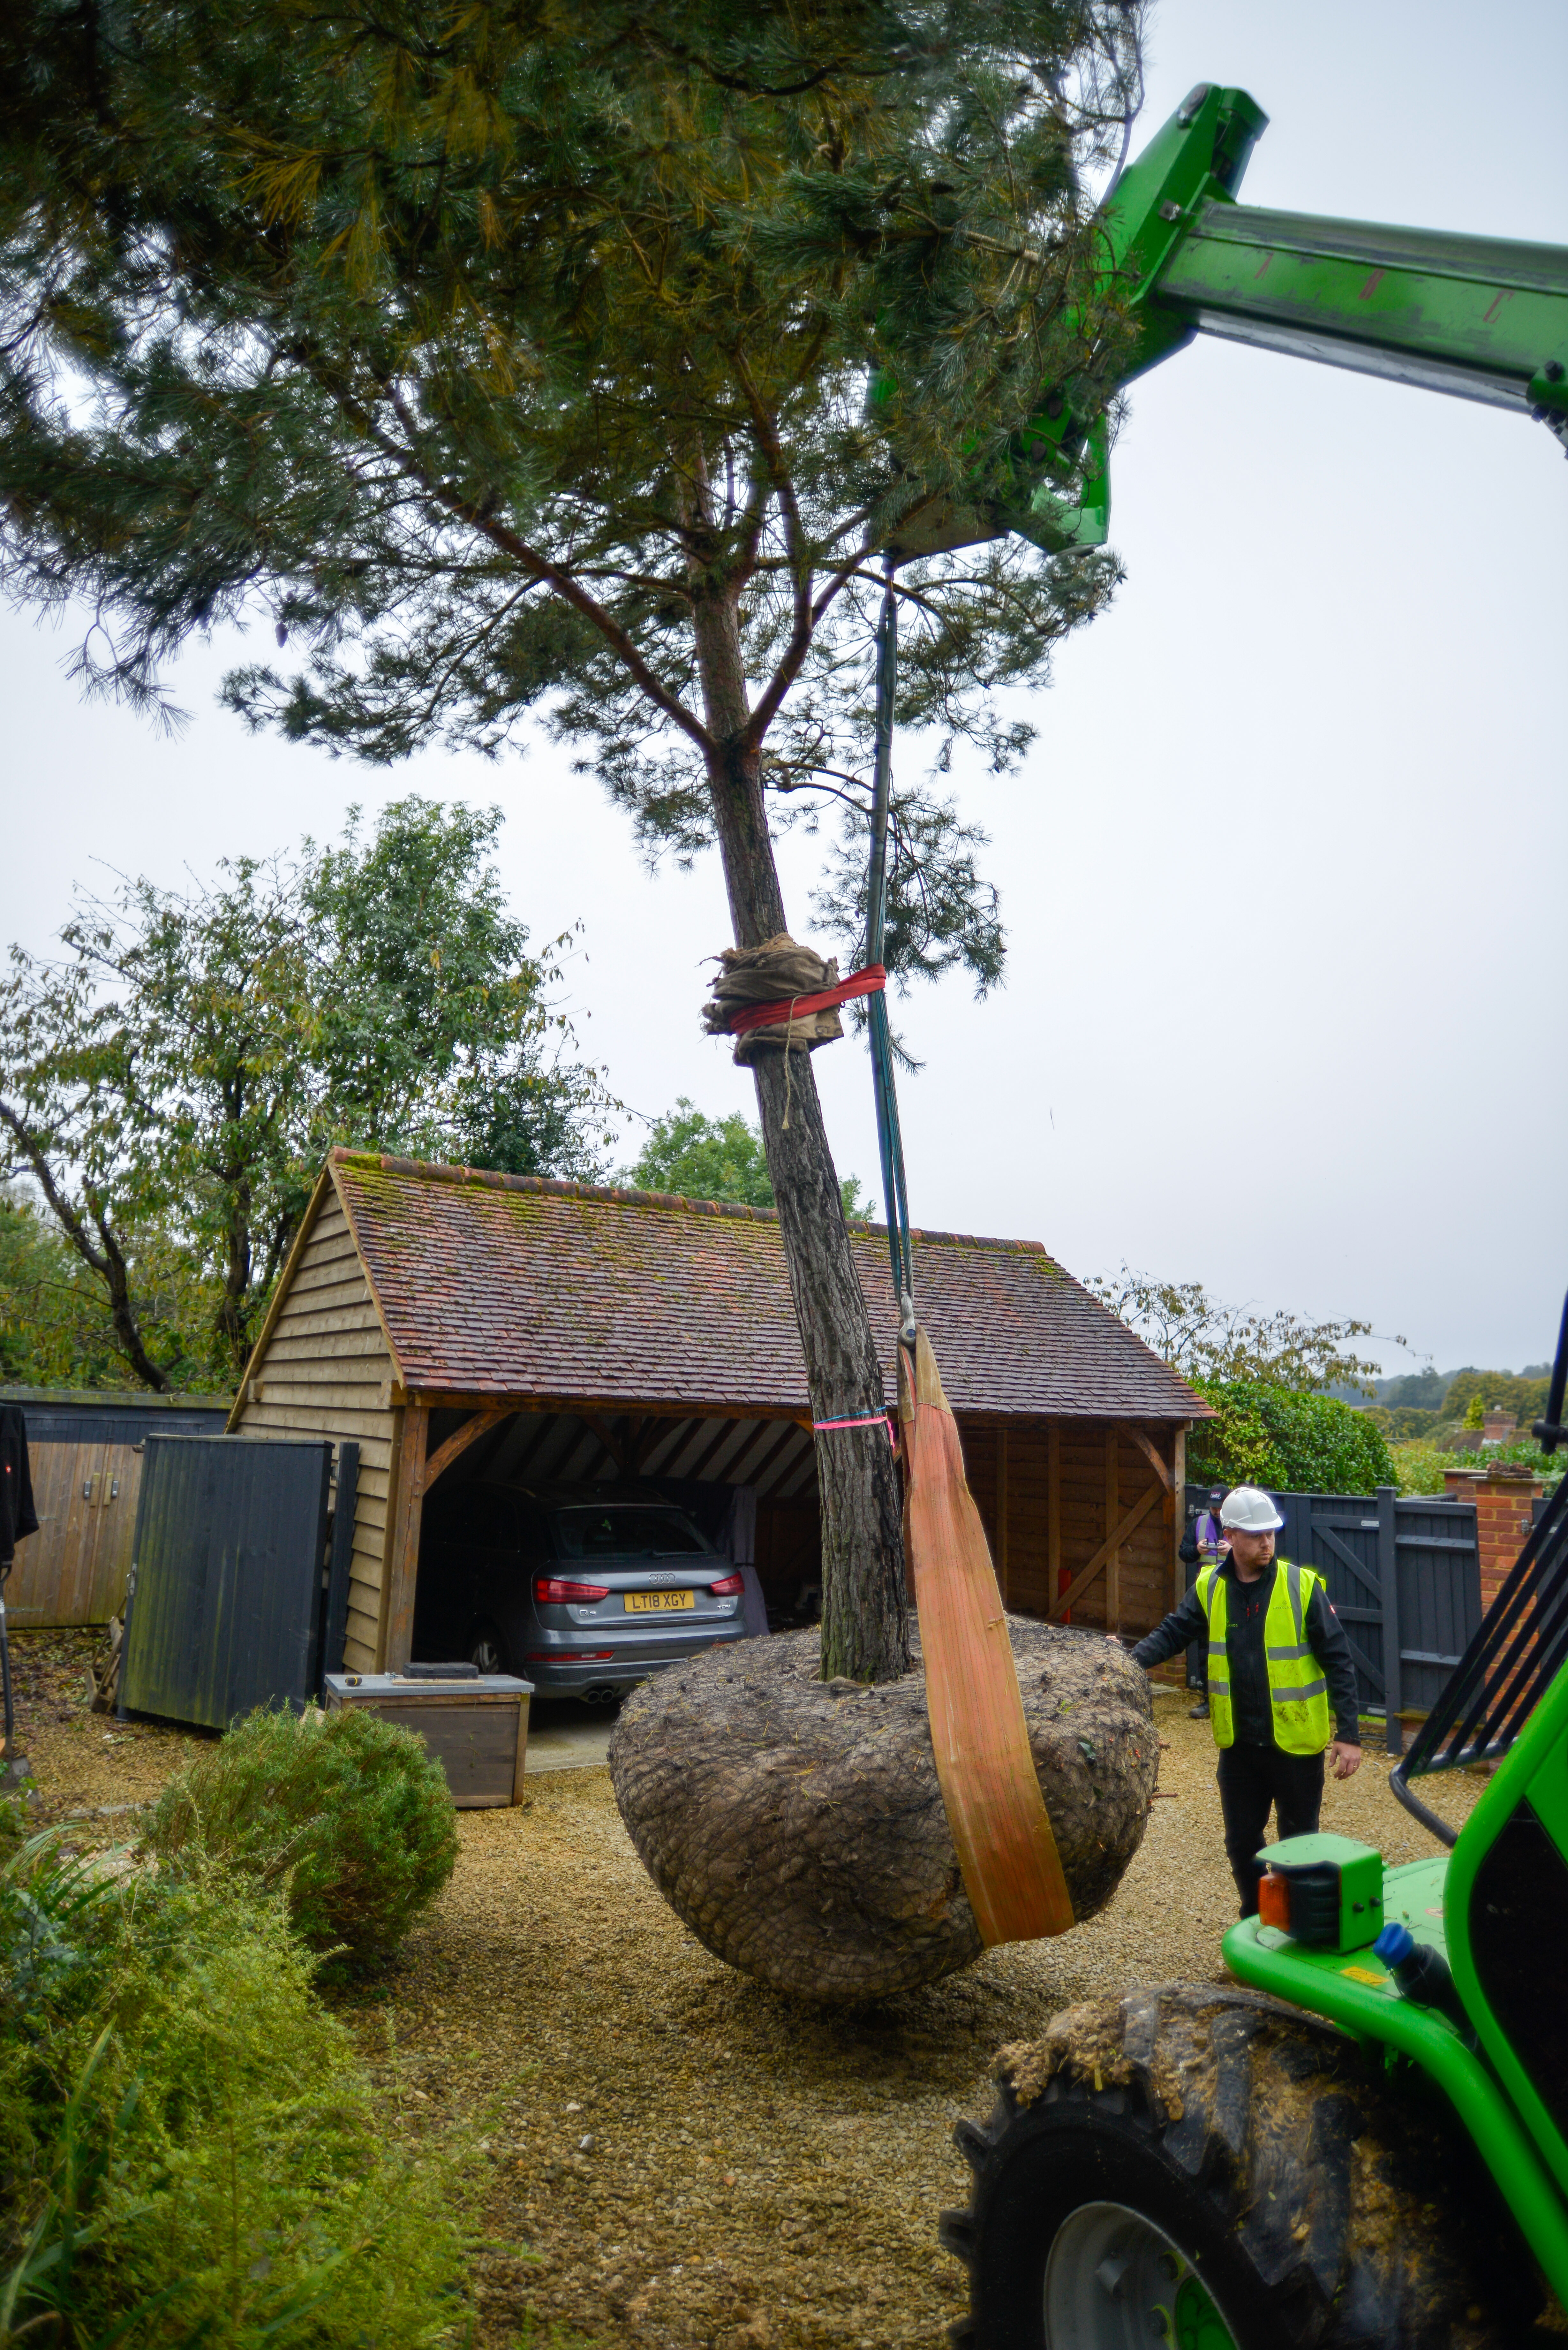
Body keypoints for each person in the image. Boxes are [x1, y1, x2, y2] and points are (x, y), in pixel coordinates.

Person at [1114, 1484, 1362, 1917]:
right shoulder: (1210, 1587)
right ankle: (1258, 1920)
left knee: (1300, 1843)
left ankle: (1302, 1929)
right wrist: (1127, 1667)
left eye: (1271, 1533)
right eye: (1256, 1535)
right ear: (1230, 1535)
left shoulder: (1301, 1587)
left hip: (1296, 1745)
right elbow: (1174, 1633)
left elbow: (1339, 1661)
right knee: (1242, 1842)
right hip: (1241, 1747)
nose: (1267, 1542)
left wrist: (1350, 1734)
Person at [1176, 1488, 1228, 1718]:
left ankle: (1233, 1702)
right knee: (1207, 1649)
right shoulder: (1198, 1525)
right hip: (1207, 1596)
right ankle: (1208, 1701)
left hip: (1235, 1596)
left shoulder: (1240, 1526)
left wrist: (1234, 1551)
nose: (1216, 1511)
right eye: (1213, 1507)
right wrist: (1197, 1550)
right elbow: (1184, 1553)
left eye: (1220, 1507)